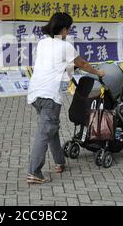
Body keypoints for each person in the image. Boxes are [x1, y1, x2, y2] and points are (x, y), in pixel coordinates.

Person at [26, 13, 105, 184]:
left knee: (50, 127)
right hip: (49, 96)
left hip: (34, 94)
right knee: (44, 133)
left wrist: (69, 71)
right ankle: (34, 172)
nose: (68, 32)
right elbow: (82, 64)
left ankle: (59, 162)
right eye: (68, 28)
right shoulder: (65, 46)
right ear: (63, 29)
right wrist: (98, 72)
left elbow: (57, 65)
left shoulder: (42, 43)